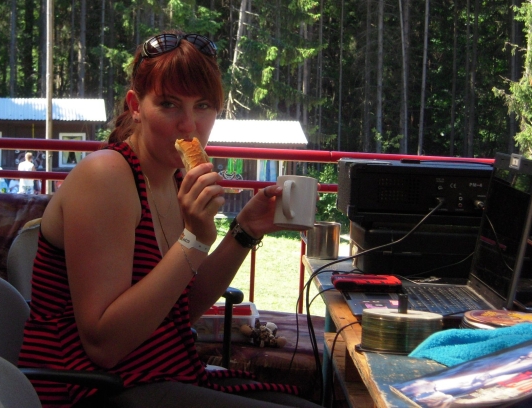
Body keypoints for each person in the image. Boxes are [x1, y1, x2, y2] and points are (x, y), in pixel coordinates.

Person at [19, 31, 320, 408]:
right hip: (92, 389)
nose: (189, 125)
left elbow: (178, 311)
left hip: (166, 373)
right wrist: (194, 240)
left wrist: (244, 230)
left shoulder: (174, 181)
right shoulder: (107, 175)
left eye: (203, 105)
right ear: (136, 106)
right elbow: (104, 346)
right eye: (169, 104)